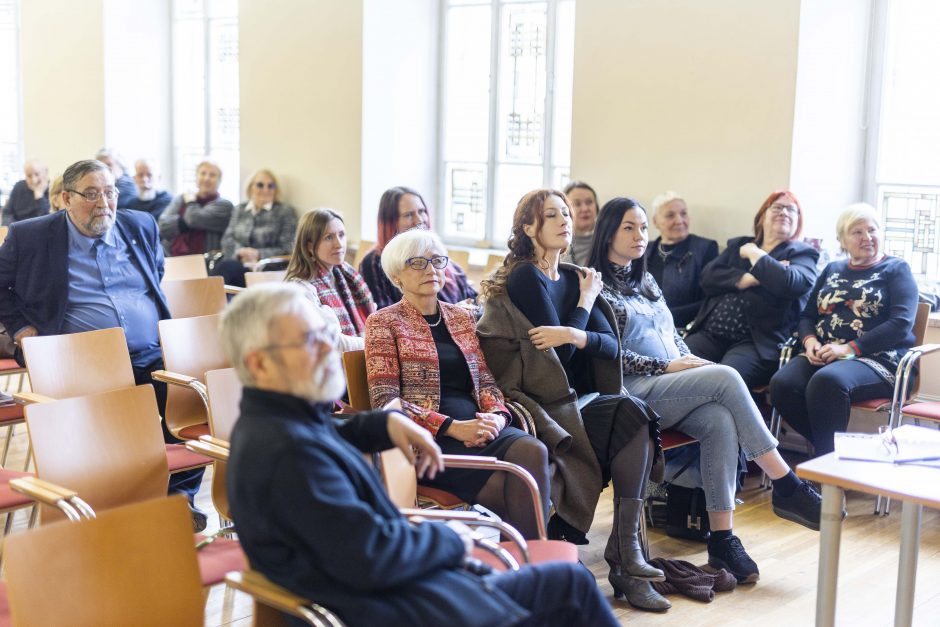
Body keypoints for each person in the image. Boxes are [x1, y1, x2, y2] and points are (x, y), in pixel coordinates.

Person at [223, 283, 619, 627]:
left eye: (325, 334)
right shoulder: (286, 454)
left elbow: (332, 432)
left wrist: (385, 424)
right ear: (260, 363)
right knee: (569, 592)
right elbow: (373, 555)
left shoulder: (278, 419)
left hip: (411, 594)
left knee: (569, 584)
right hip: (402, 612)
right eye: (310, 340)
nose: (329, 347)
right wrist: (453, 540)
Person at [590, 197, 824, 583]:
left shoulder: (644, 279)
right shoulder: (596, 286)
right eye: (628, 228)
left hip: (667, 381)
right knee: (728, 376)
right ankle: (786, 483)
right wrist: (667, 365)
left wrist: (687, 359)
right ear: (608, 233)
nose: (639, 236)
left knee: (718, 420)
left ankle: (722, 539)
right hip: (630, 391)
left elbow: (672, 334)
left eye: (643, 228)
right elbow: (608, 355)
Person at [477, 189, 669, 612]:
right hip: (544, 402)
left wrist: (574, 332)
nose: (565, 220)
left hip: (582, 399)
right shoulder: (528, 277)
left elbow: (610, 346)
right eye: (552, 215)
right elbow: (557, 360)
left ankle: (626, 557)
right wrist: (582, 309)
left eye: (566, 213)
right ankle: (626, 560)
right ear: (529, 228)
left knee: (634, 417)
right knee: (631, 414)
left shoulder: (573, 275)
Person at [0, 159, 205, 527]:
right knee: (116, 431)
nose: (104, 203)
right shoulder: (30, 235)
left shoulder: (140, 225)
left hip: (149, 352)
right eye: (91, 194)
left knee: (195, 404)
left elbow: (154, 274)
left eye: (109, 192)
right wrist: (21, 330)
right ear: (66, 198)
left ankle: (176, 501)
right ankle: (118, 509)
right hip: (81, 360)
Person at [365, 229, 550, 540]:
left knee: (534, 451)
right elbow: (386, 402)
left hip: (481, 429)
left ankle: (529, 566)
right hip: (429, 441)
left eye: (437, 261)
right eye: (418, 263)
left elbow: (486, 381)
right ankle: (537, 566)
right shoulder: (384, 322)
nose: (431, 270)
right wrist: (453, 427)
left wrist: (496, 416)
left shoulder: (461, 318)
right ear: (396, 276)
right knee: (511, 493)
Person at [770, 204, 918, 456]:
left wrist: (848, 349)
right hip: (826, 353)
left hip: (880, 359)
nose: (867, 237)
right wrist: (809, 342)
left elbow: (901, 323)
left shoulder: (896, 269)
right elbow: (807, 315)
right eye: (857, 232)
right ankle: (834, 455)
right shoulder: (832, 269)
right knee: (782, 384)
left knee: (827, 381)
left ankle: (827, 470)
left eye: (872, 230)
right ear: (842, 240)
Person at [683, 190, 819, 388]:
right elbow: (708, 277)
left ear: (798, 221)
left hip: (756, 342)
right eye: (777, 207)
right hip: (711, 333)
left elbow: (791, 283)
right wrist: (749, 278)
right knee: (672, 363)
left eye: (791, 210)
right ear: (762, 216)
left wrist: (756, 255)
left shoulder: (803, 253)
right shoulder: (739, 244)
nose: (784, 212)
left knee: (724, 382)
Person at [359, 186, 476, 310]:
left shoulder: (443, 259)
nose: (419, 220)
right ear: (390, 222)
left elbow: (473, 300)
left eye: (421, 211)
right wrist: (452, 314)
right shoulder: (373, 263)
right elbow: (384, 315)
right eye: (408, 215)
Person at [285, 208, 374, 352]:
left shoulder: (347, 275)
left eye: (341, 235)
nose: (339, 244)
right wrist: (375, 344)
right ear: (309, 246)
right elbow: (330, 343)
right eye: (329, 237)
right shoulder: (301, 288)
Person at [212, 169, 298, 286]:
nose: (265, 190)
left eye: (271, 186)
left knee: (225, 269)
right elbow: (227, 239)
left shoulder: (285, 212)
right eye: (260, 185)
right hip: (238, 262)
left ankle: (206, 302)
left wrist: (258, 254)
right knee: (224, 268)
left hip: (266, 269)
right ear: (251, 187)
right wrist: (240, 252)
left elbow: (288, 247)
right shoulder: (240, 209)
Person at [646, 191, 719, 328]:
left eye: (683, 213)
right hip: (645, 326)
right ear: (655, 222)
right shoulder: (643, 251)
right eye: (670, 215)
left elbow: (710, 301)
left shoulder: (705, 248)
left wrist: (665, 317)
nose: (679, 220)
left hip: (688, 327)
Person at [158, 159, 233, 256]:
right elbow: (162, 225)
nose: (206, 178)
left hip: (207, 262)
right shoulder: (181, 199)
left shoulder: (224, 206)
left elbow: (193, 218)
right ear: (196, 177)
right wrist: (184, 222)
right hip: (172, 258)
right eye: (203, 173)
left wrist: (190, 202)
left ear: (219, 181)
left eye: (212, 175)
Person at [561, 181, 599, 266]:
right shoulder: (557, 246)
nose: (585, 209)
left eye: (589, 202)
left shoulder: (610, 242)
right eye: (577, 204)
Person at [2, 159, 50, 225]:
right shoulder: (18, 187)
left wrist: (39, 195)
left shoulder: (51, 189)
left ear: (45, 173)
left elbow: (47, 219)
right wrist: (10, 226)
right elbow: (7, 213)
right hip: (18, 229)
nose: (33, 180)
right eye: (29, 176)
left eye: (37, 174)